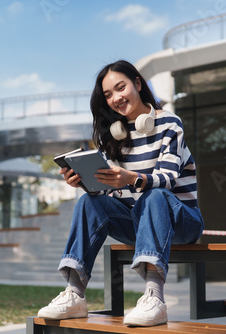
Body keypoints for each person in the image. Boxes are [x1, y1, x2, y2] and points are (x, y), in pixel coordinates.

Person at [37, 60, 204, 327]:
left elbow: (168, 180)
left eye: (120, 87)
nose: (116, 98)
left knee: (156, 195)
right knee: (88, 202)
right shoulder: (114, 135)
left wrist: (131, 178)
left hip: (182, 222)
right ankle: (75, 294)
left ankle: (154, 297)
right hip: (138, 223)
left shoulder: (169, 124)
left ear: (138, 84)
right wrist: (83, 181)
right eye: (108, 95)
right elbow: (110, 190)